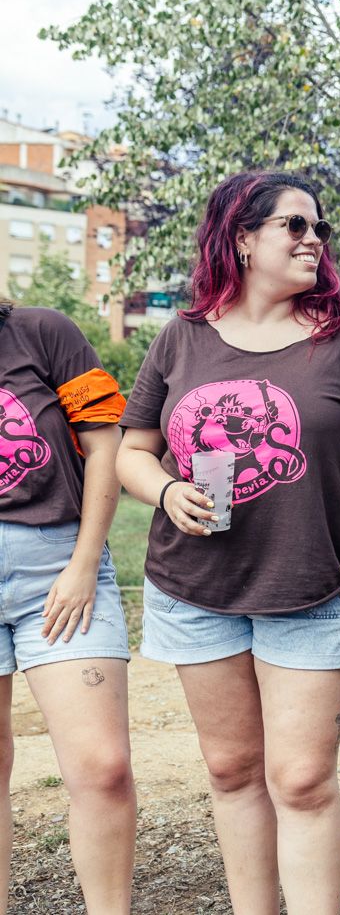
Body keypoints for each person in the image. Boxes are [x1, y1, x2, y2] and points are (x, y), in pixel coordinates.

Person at [117, 172, 340, 915]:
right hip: (196, 588)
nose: (314, 241)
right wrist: (166, 489)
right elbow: (132, 450)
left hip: (318, 587)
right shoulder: (183, 336)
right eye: (295, 226)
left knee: (299, 778)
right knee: (232, 769)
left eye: (319, 229)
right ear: (241, 237)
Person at [0, 300, 134, 913]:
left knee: (102, 768)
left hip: (58, 566)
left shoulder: (40, 331)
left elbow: (105, 447)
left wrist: (83, 563)